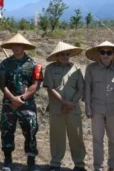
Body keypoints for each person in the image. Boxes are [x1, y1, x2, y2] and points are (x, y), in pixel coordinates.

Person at [0, 33, 43, 171]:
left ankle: (31, 161)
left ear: (24, 47)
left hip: (27, 103)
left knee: (30, 130)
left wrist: (22, 98)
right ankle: (7, 160)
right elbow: (2, 84)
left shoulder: (35, 64)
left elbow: (36, 85)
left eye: (19, 45)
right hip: (9, 103)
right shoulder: (5, 64)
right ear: (10, 47)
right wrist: (13, 99)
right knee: (7, 130)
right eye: (14, 45)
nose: (16, 47)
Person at [43, 41, 86, 171]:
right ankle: (55, 163)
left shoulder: (76, 68)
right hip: (57, 109)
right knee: (57, 136)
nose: (65, 56)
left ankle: (79, 164)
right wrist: (64, 102)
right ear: (57, 55)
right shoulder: (49, 68)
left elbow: (81, 89)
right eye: (62, 54)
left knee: (77, 136)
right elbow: (50, 88)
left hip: (73, 108)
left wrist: (70, 103)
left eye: (68, 54)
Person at [84, 41, 114, 171]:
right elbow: (87, 89)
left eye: (109, 52)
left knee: (113, 140)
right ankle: (98, 167)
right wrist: (87, 107)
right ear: (99, 53)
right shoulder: (91, 68)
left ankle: (112, 166)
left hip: (113, 110)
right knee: (97, 140)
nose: (106, 55)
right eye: (103, 52)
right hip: (96, 109)